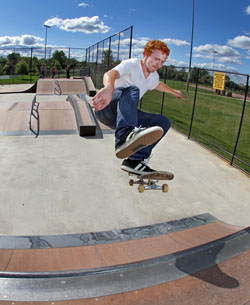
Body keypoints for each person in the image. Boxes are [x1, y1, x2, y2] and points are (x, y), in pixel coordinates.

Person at [92, 40, 182, 175]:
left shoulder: (153, 76)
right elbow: (111, 73)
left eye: (162, 62)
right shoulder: (132, 64)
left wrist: (174, 92)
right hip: (107, 107)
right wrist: (109, 87)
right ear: (146, 54)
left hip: (121, 116)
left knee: (163, 122)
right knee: (133, 89)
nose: (158, 64)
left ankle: (134, 160)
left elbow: (158, 85)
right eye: (156, 59)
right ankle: (124, 137)